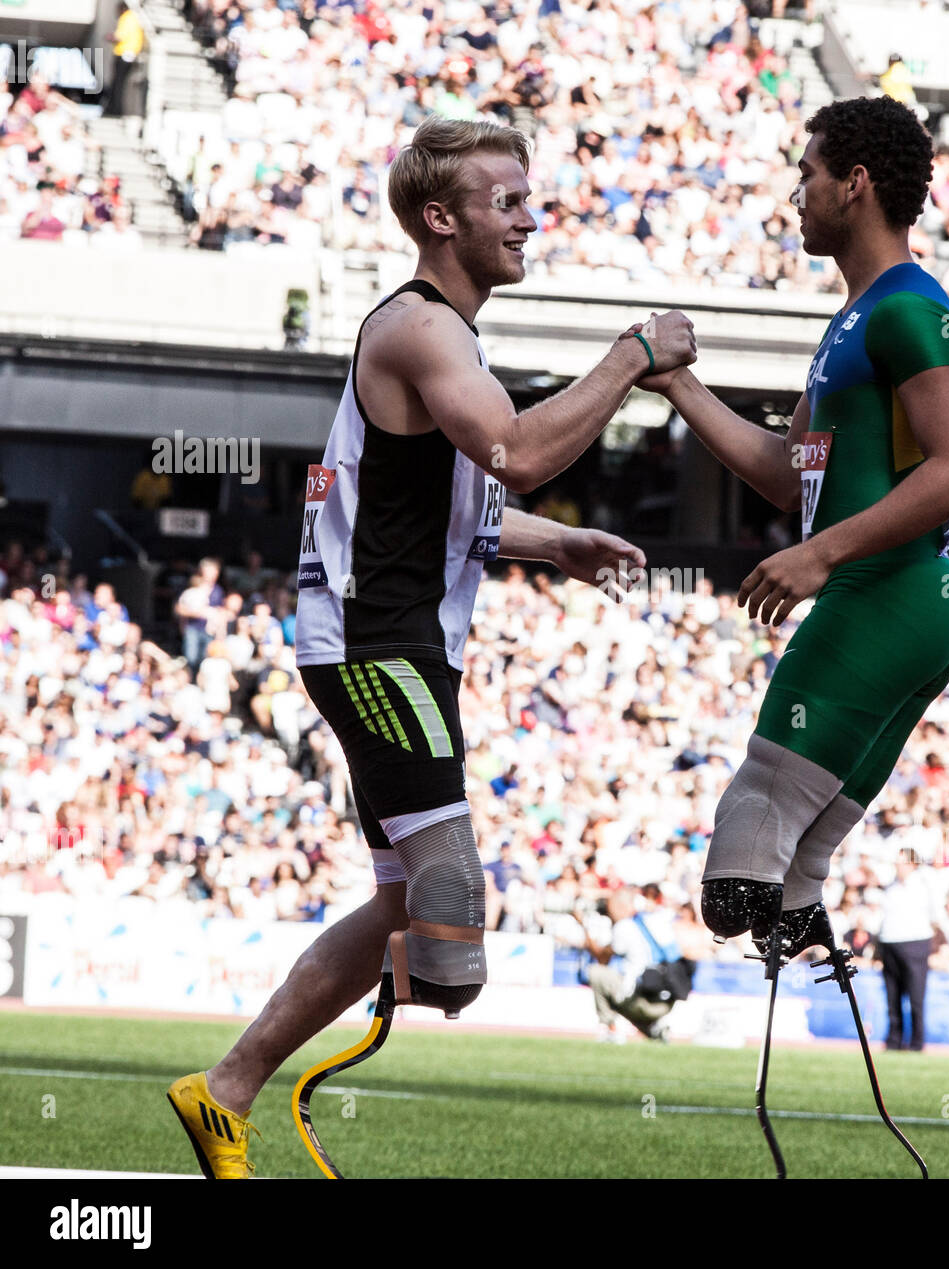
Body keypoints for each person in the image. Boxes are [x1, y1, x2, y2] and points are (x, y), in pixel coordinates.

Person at [166, 115, 696, 1179]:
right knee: (451, 927)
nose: (528, 216)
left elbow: (455, 513)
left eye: (527, 197)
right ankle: (296, 1075)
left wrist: (559, 547)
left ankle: (225, 1090)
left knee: (408, 903)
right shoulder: (420, 329)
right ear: (441, 218)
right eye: (507, 200)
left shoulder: (446, 336)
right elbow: (518, 453)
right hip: (376, 646)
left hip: (388, 641)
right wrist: (632, 357)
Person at [632, 95, 949, 958]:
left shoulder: (905, 307)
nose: (797, 193)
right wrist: (678, 387)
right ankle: (802, 918)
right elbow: (792, 470)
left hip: (883, 592)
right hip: (909, 602)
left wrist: (819, 554)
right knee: (790, 879)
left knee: (740, 856)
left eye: (808, 174)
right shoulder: (858, 317)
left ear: (854, 184)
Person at [576, 888, 684, 1042]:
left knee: (596, 973)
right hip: (664, 1000)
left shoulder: (624, 926)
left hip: (641, 998)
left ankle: (611, 1030)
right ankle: (654, 1029)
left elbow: (602, 958)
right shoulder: (653, 921)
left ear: (620, 905)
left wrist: (584, 925)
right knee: (619, 991)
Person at [876, 848, 940, 1051]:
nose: (897, 866)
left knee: (916, 997)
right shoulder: (891, 886)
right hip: (890, 942)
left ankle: (917, 1041)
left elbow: (935, 916)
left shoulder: (923, 885)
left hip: (915, 942)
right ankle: (894, 1040)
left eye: (902, 862)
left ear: (912, 865)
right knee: (892, 996)